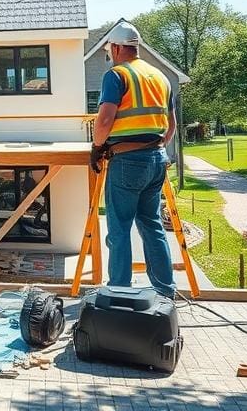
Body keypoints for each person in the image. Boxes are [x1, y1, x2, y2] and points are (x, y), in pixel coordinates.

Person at [90, 21, 177, 298]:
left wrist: (96, 147)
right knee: (152, 225)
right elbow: (171, 123)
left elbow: (104, 120)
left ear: (115, 48)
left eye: (109, 52)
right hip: (157, 159)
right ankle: (165, 291)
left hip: (127, 161)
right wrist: (159, 145)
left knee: (119, 230)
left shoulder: (117, 75)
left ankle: (118, 292)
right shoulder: (160, 77)